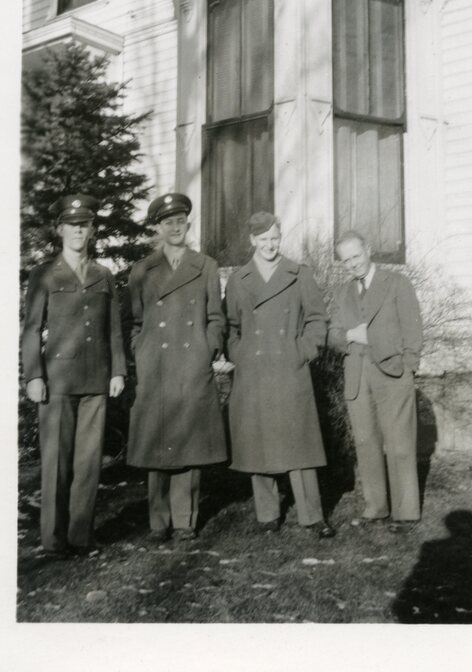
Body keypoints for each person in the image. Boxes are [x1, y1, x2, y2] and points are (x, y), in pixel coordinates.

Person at [22, 194, 126, 556]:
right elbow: (32, 330)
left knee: (87, 462)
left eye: (85, 225)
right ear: (61, 229)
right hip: (58, 381)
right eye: (72, 225)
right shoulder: (44, 275)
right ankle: (53, 540)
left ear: (92, 230)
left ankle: (81, 536)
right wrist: (33, 376)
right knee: (56, 462)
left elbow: (113, 328)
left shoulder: (103, 275)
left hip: (96, 379)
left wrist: (118, 371)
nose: (78, 231)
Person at [224, 212, 335, 538]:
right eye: (263, 239)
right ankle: (268, 515)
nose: (270, 245)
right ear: (252, 241)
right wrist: (239, 354)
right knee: (259, 443)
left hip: (290, 368)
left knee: (300, 443)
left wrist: (302, 351)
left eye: (274, 238)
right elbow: (231, 327)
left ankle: (312, 516)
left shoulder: (299, 274)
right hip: (254, 370)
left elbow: (317, 320)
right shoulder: (238, 280)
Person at [126, 193, 227, 543]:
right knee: (156, 442)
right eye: (168, 221)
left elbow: (217, 317)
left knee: (189, 442)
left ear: (188, 223)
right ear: (158, 227)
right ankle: (158, 522)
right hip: (156, 365)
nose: (175, 227)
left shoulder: (206, 266)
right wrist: (141, 351)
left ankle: (185, 521)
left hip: (190, 363)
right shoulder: (142, 270)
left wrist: (207, 347)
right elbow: (136, 322)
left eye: (181, 220)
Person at [328, 230, 423, 533]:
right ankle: (376, 507)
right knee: (366, 442)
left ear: (368, 250)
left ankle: (405, 512)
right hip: (357, 376)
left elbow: (413, 330)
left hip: (393, 374)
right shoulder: (343, 293)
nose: (353, 264)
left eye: (356, 256)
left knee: (399, 444)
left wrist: (408, 368)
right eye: (346, 261)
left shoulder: (396, 283)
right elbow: (332, 334)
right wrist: (349, 336)